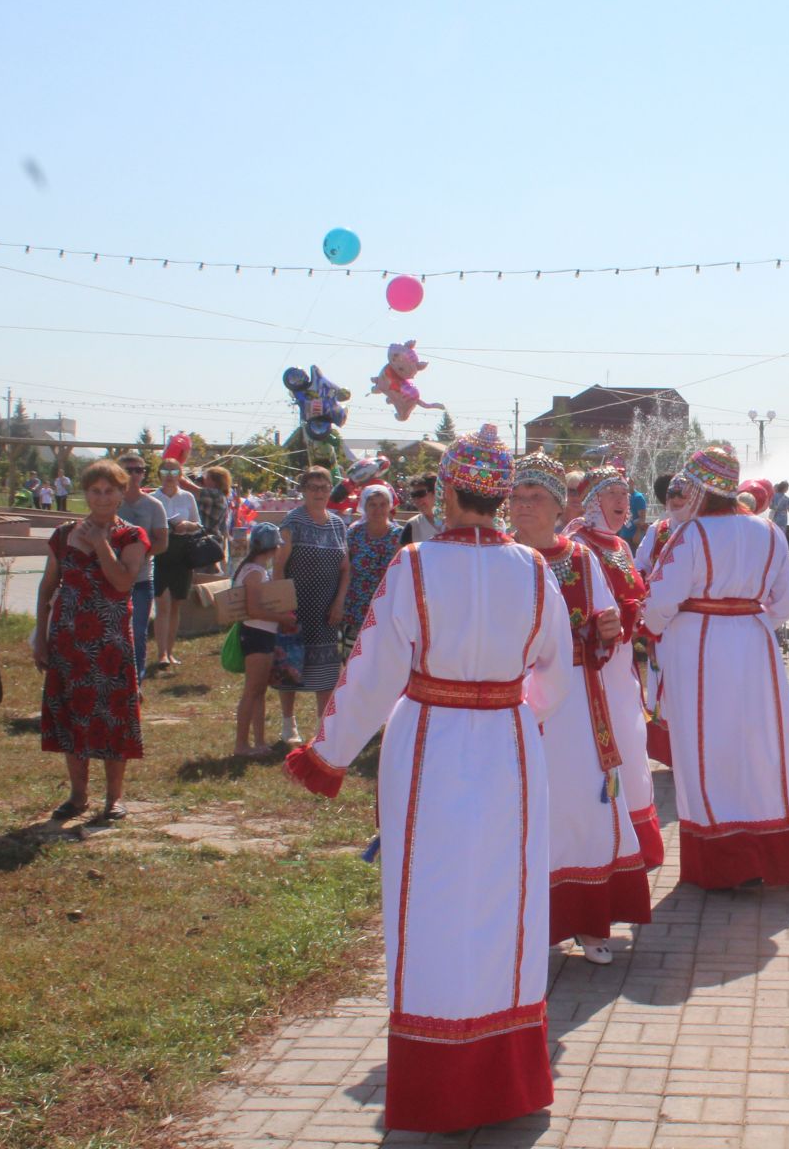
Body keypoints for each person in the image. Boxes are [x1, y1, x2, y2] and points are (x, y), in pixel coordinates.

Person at [282, 423, 570, 1135]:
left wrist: (328, 755)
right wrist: (519, 710)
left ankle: (437, 1082)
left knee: (428, 900)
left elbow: (374, 670)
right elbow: (556, 676)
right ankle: (507, 1081)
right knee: (507, 901)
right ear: (502, 496)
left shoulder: (413, 566)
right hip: (508, 745)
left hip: (432, 744)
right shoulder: (535, 571)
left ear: (448, 490)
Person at [642, 444, 789, 889]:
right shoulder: (768, 531)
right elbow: (785, 603)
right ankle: (767, 850)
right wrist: (751, 623)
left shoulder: (690, 534)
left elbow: (659, 604)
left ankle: (724, 859)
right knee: (758, 744)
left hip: (699, 646)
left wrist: (654, 626)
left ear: (700, 487)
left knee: (706, 747)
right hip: (754, 644)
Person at [509, 454, 652, 964]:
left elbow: (603, 616)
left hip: (573, 699)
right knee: (526, 807)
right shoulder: (499, 556)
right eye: (517, 498)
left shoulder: (580, 556)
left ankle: (590, 922)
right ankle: (530, 926)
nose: (525, 508)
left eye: (536, 498)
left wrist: (604, 629)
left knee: (583, 801)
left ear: (557, 506)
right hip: (513, 702)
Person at [33, 460, 150, 822]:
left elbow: (121, 582)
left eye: (110, 491)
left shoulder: (131, 536)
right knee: (74, 715)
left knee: (114, 717)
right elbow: (47, 587)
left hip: (112, 640)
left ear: (121, 493)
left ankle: (113, 799)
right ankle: (78, 795)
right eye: (95, 491)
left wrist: (100, 543)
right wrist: (41, 634)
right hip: (69, 639)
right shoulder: (62, 534)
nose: (102, 498)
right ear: (86, 493)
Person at [568, 464, 664, 869]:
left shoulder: (621, 546)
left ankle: (636, 839)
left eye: (626, 494)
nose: (623, 503)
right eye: (612, 495)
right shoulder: (576, 544)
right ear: (592, 502)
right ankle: (605, 840)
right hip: (593, 666)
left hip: (622, 664)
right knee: (603, 748)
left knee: (631, 741)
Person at [273, 467, 350, 745]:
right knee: (289, 667)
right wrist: (283, 608)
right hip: (296, 607)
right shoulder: (292, 523)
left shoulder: (338, 524)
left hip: (327, 609)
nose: (319, 492)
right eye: (313, 487)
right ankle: (287, 724)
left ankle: (323, 728)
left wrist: (339, 602)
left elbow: (345, 568)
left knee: (327, 671)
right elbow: (279, 566)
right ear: (303, 490)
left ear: (331, 490)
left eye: (324, 487)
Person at [635, 473, 690, 768]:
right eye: (672, 496)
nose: (677, 500)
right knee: (662, 685)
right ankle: (670, 754)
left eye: (682, 495)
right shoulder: (660, 529)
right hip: (662, 622)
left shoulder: (701, 529)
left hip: (694, 623)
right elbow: (639, 566)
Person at [233, 522, 291, 755]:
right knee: (252, 690)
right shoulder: (255, 572)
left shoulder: (254, 568)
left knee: (259, 691)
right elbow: (254, 609)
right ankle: (241, 744)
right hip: (256, 634)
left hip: (262, 633)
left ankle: (258, 741)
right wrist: (283, 618)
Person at [115, 455, 168, 682]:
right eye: (129, 470)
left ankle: (135, 680)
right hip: (112, 576)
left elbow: (162, 542)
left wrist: (138, 555)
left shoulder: (153, 505)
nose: (134, 474)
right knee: (113, 632)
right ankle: (114, 676)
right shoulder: (112, 502)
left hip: (141, 578)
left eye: (139, 470)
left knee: (137, 632)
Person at [150, 460, 202, 672]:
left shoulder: (187, 497)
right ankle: (161, 653)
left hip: (182, 554)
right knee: (162, 604)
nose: (169, 475)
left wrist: (187, 526)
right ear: (159, 474)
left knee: (176, 605)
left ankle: (170, 651)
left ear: (180, 474)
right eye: (165, 471)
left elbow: (198, 526)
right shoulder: (153, 498)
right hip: (161, 554)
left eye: (174, 471)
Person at [343, 485, 402, 645]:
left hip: (386, 606)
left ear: (389, 506)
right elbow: (345, 569)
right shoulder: (354, 533)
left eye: (382, 504)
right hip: (356, 605)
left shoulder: (399, 535)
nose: (378, 509)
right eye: (373, 505)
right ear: (364, 506)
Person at [399, 474, 440, 545]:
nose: (416, 500)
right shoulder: (412, 526)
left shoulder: (456, 523)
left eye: (421, 494)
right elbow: (401, 554)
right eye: (413, 495)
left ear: (436, 492)